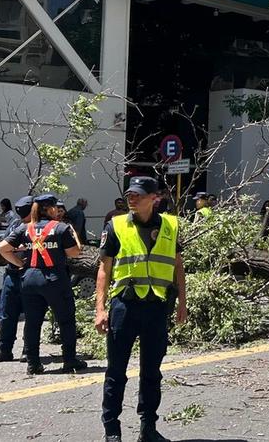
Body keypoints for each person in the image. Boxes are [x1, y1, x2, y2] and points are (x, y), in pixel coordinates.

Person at [96, 176, 187, 442]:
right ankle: (112, 430)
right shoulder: (116, 225)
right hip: (124, 306)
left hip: (157, 307)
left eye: (137, 194)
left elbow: (177, 265)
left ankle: (148, 428)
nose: (131, 199)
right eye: (129, 195)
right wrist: (100, 310)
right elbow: (104, 268)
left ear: (154, 197)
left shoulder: (170, 224)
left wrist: (183, 301)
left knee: (151, 372)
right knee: (116, 372)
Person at [0, 193, 87, 375]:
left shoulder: (25, 228)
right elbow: (74, 253)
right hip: (55, 279)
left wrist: (20, 263)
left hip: (30, 279)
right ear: (51, 208)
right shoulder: (61, 228)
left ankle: (33, 364)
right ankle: (69, 360)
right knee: (66, 320)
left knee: (32, 322)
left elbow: (2, 248)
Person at [0, 195, 34, 364]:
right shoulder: (16, 224)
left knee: (31, 314)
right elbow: (5, 247)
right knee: (6, 314)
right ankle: (4, 349)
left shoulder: (39, 226)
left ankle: (28, 350)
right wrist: (19, 262)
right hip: (13, 274)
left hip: (29, 275)